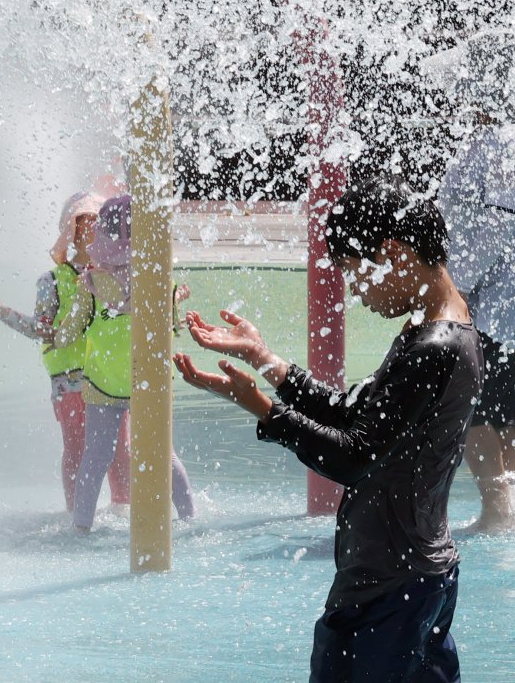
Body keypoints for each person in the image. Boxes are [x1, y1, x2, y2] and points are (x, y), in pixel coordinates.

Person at [175, 178, 483, 683]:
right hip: (418, 576)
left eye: (356, 273)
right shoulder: (445, 328)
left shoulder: (434, 348)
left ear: (395, 253)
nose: (356, 292)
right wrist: (266, 361)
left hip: (389, 590)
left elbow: (353, 456)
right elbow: (353, 416)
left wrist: (261, 408)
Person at [434, 33, 515, 532]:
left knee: (475, 400)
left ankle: (497, 512)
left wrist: (450, 285)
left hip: (500, 298)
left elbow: (489, 233)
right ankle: (509, 510)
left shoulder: (504, 145)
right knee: (503, 395)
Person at [60, 193, 195, 533]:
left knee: (95, 457)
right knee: (164, 454)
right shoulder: (161, 280)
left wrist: (56, 336)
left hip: (104, 383)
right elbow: (174, 326)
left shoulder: (90, 282)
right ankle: (190, 518)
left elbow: (70, 332)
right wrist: (178, 300)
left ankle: (81, 528)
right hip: (149, 380)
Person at [0, 191, 131, 514]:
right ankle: (76, 514)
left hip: (109, 378)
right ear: (70, 232)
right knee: (78, 448)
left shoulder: (114, 276)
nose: (92, 230)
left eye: (98, 222)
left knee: (119, 448)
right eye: (83, 223)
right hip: (70, 382)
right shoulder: (52, 280)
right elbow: (39, 328)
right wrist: (3, 312)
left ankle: (124, 508)